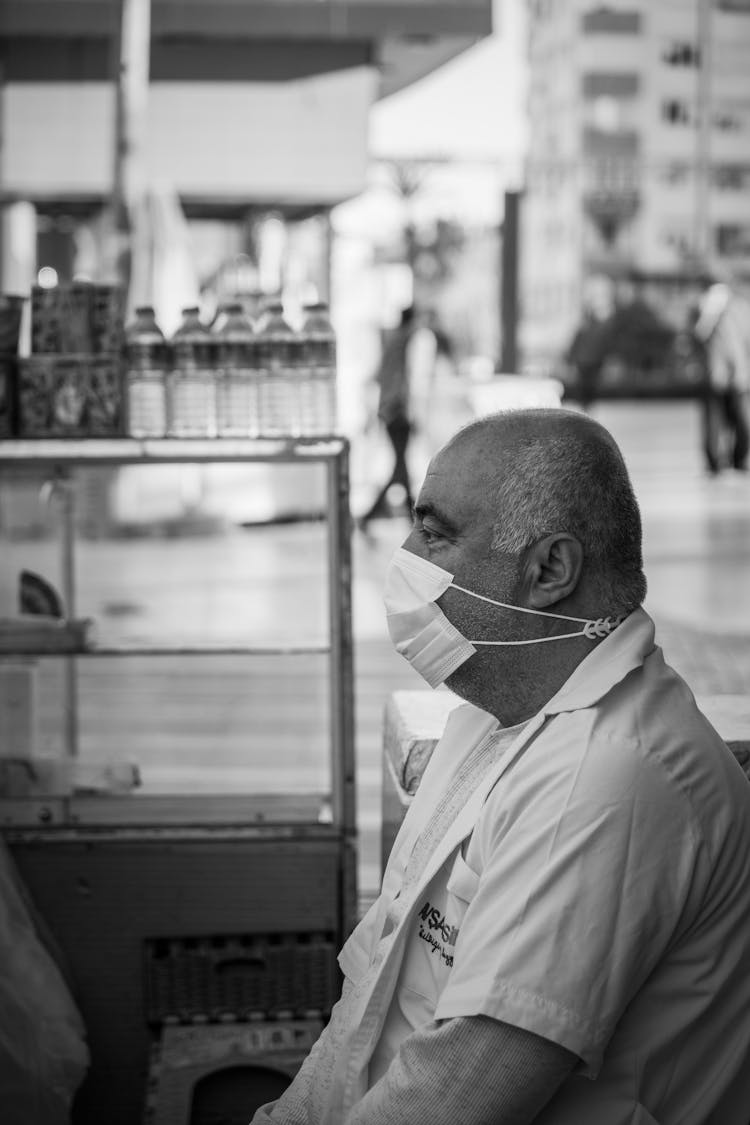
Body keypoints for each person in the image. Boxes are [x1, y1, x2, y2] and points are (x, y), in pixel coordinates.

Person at [251, 408, 750, 1125]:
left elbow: (458, 1094)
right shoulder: (491, 717)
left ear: (548, 569)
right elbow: (365, 1016)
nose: (406, 556)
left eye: (435, 532)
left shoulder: (612, 777)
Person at [359, 306, 419, 526]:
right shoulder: (404, 342)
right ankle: (378, 514)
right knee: (400, 465)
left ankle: (410, 513)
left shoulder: (393, 341)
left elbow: (377, 376)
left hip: (388, 409)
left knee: (401, 464)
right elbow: (406, 379)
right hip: (397, 410)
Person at [693, 281, 750, 474]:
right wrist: (711, 312)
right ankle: (714, 464)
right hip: (716, 375)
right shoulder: (708, 307)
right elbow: (699, 334)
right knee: (714, 423)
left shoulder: (743, 308)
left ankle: (739, 460)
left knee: (743, 422)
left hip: (740, 376)